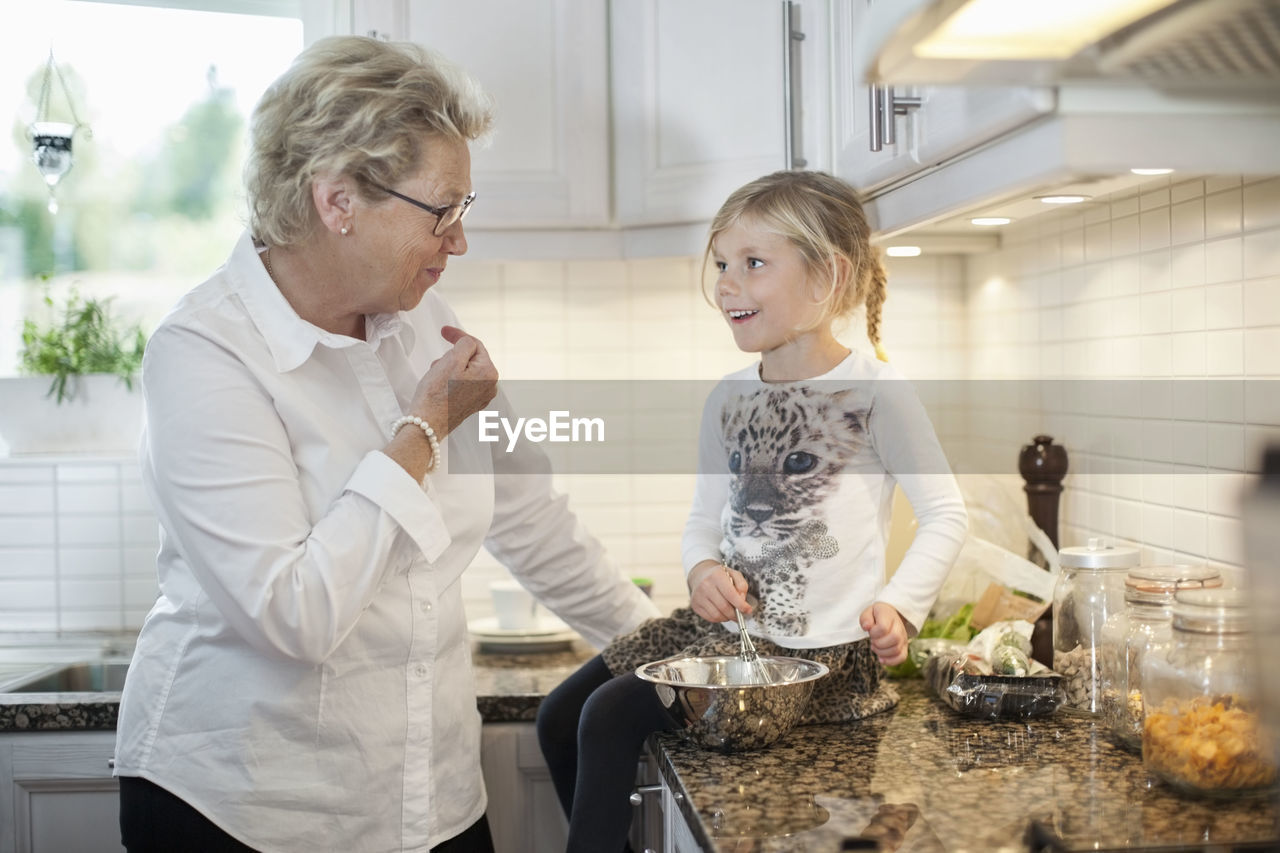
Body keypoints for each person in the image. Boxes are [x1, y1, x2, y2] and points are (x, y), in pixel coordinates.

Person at [112, 36, 659, 853]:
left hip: (429, 800)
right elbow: (292, 615)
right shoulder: (205, 354)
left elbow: (533, 521)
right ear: (338, 201)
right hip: (248, 810)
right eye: (444, 211)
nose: (459, 241)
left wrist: (673, 657)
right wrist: (424, 430)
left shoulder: (422, 330)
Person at [536, 170, 969, 852]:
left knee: (606, 717)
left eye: (753, 263)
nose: (728, 284)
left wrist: (901, 604)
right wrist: (702, 565)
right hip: (733, 639)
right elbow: (704, 518)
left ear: (826, 276)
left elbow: (946, 512)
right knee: (560, 716)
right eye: (721, 265)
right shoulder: (727, 399)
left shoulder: (879, 393)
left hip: (817, 657)